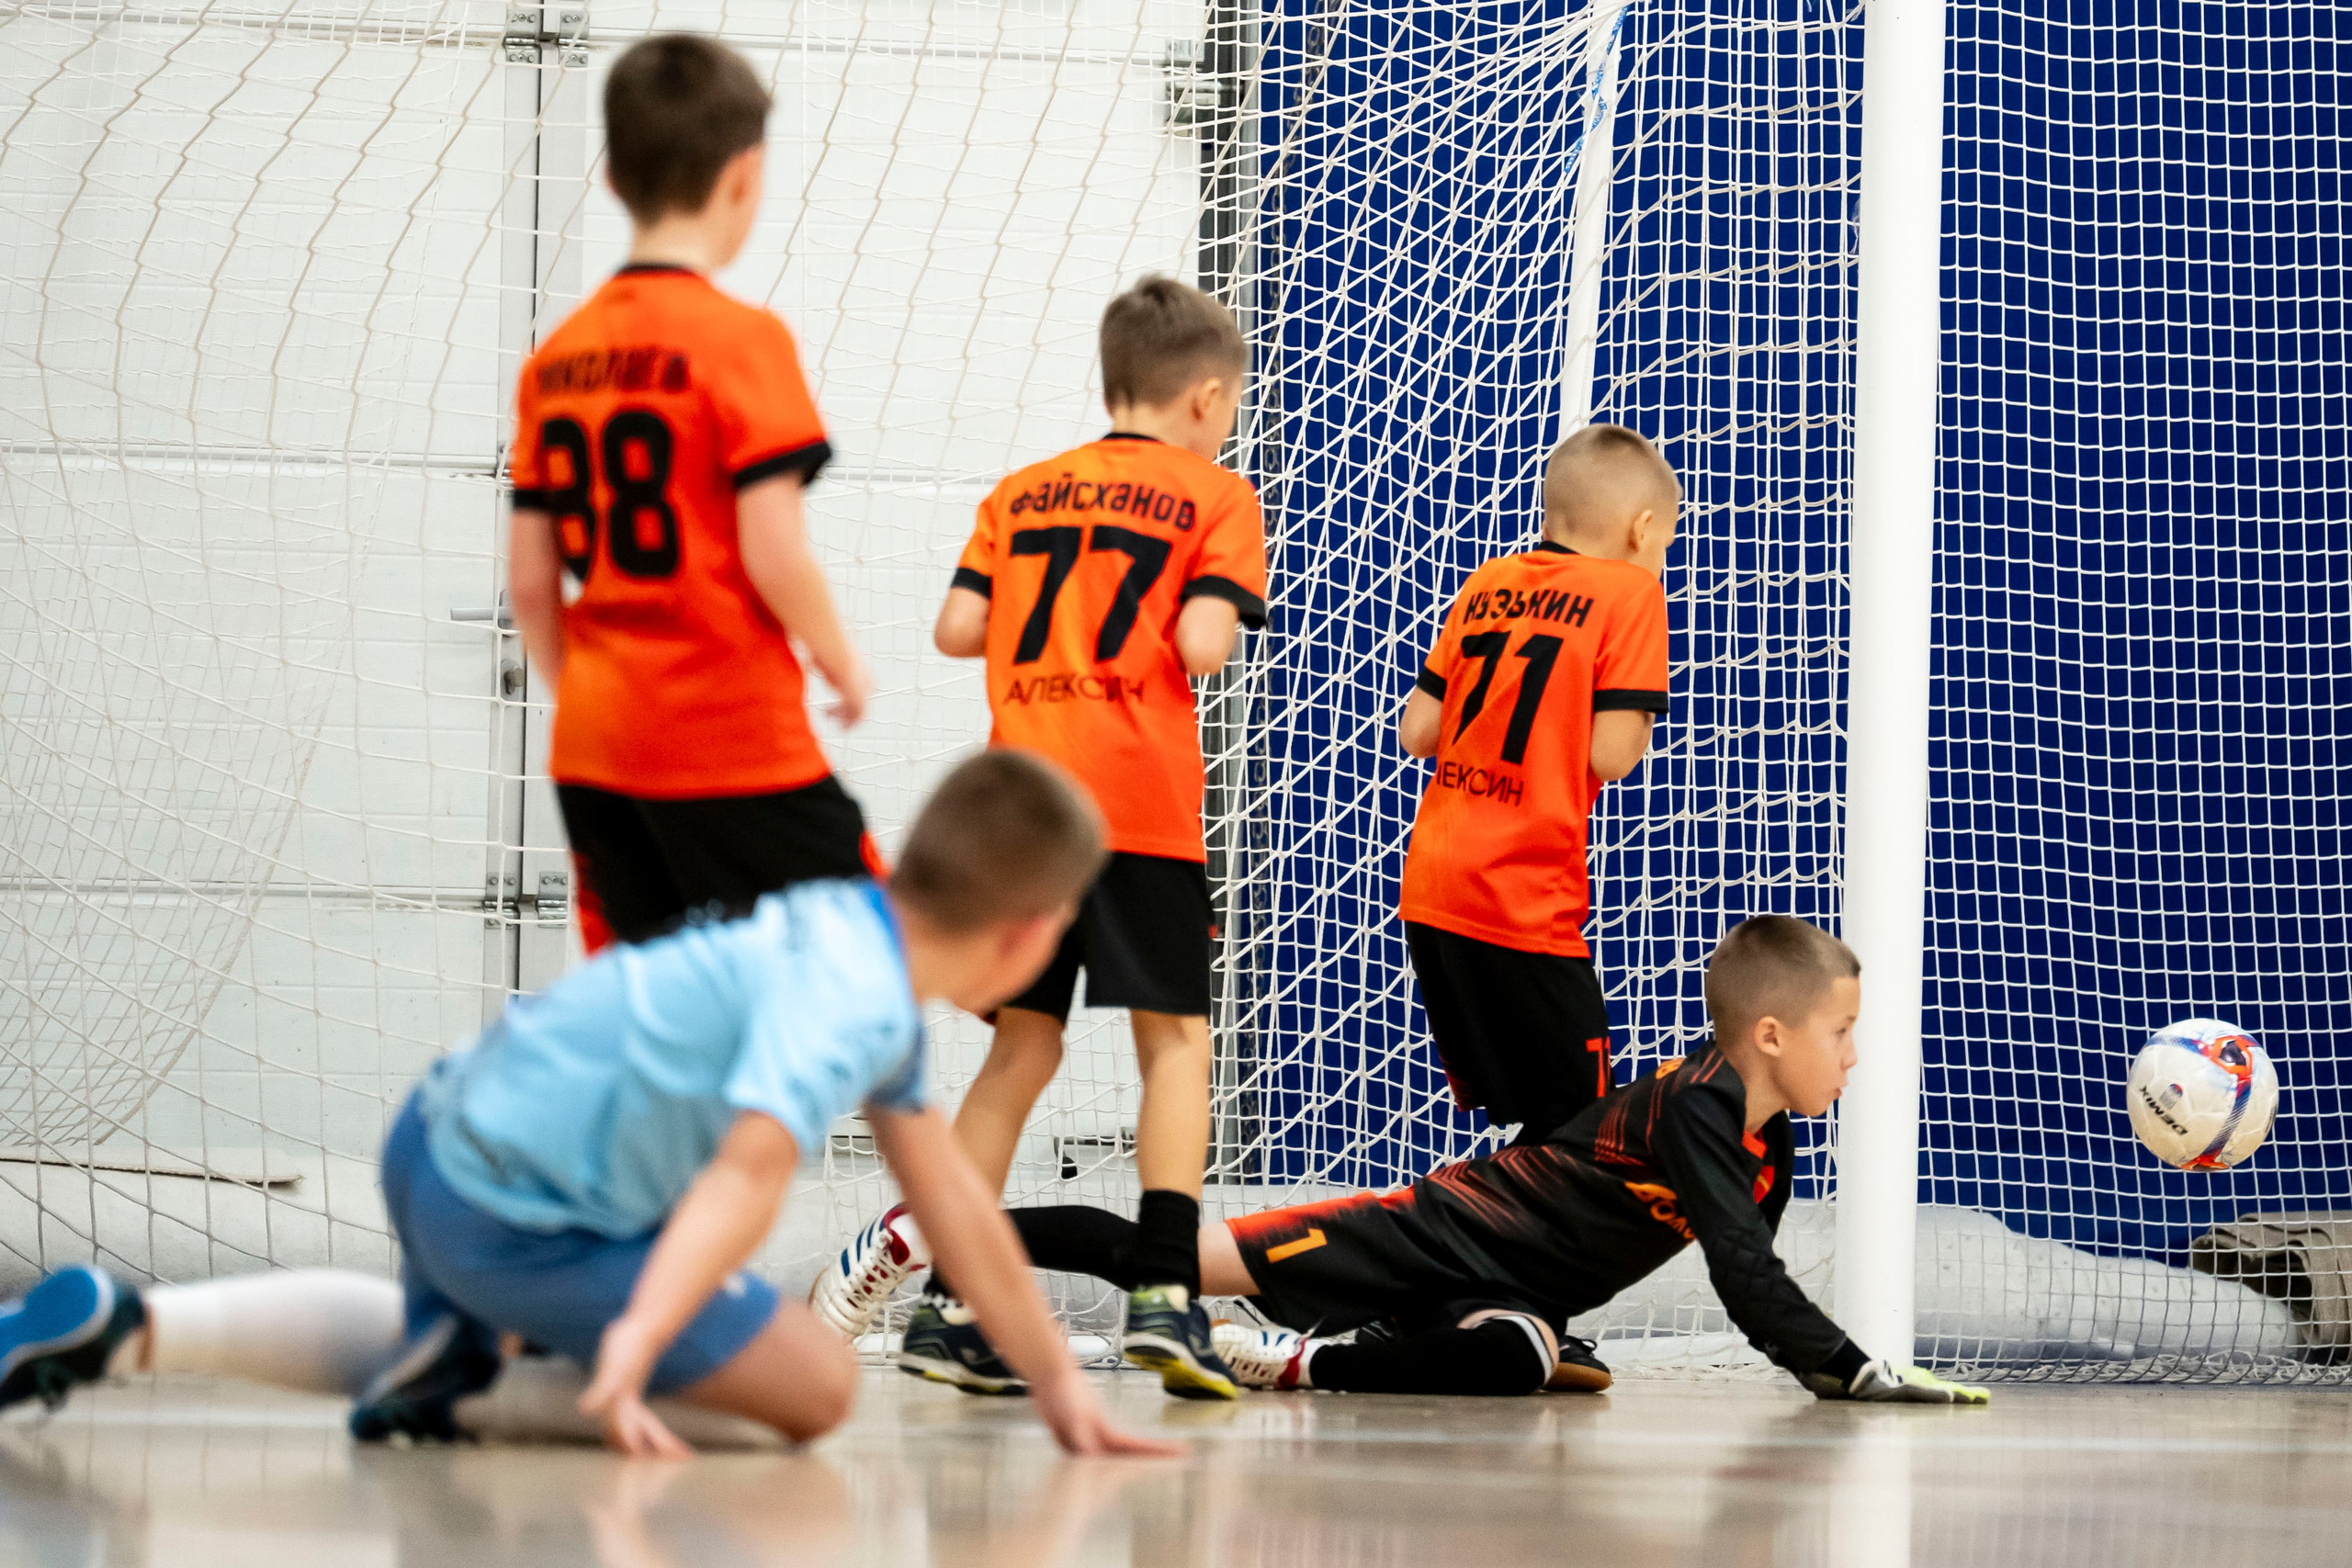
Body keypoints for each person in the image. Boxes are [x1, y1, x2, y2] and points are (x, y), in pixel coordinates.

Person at [0, 753, 1176, 1460]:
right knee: (816, 1393)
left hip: (437, 1134)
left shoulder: (845, 924)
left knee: (458, 1326)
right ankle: (483, 1386)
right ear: (1031, 935)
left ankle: (129, 1324)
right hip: (511, 1210)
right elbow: (747, 1174)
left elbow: (956, 1212)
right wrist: (636, 1341)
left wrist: (1062, 1390)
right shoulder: (857, 1000)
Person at [808, 276, 1269, 1401]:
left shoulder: (1021, 494)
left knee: (1023, 1048)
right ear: (1207, 398)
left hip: (1023, 814)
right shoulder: (1216, 494)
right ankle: (1166, 1296)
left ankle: (952, 1306)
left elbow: (958, 627)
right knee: (1172, 1042)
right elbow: (1205, 646)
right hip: (1136, 806)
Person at [944, 916, 1990, 1406]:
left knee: (1523, 1362)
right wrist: (1849, 1372)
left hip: (1501, 1293)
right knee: (1162, 1258)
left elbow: (1746, 1274)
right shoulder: (1699, 1109)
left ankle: (1299, 1362)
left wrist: (1818, 1365)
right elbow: (1743, 1274)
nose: (1854, 1055)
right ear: (1769, 1035)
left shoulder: (1772, 1143)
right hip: (1421, 1235)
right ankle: (939, 1239)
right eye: (1840, 1031)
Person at [505, 34, 876, 953]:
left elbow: (526, 582)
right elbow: (772, 549)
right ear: (744, 175)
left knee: (657, 1017)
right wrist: (839, 656)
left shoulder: (555, 362)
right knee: (875, 972)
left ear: (611, 179)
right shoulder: (742, 342)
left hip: (596, 749)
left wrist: (587, 690)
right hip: (728, 734)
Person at [1396, 423, 1679, 1149]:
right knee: (1582, 1130)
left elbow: (1417, 731)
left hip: (1433, 890)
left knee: (1542, 1124)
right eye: (1666, 544)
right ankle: (1462, 1252)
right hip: (1520, 899)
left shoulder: (1488, 582)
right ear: (1643, 529)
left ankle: (1471, 1244)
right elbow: (1613, 755)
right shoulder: (1632, 594)